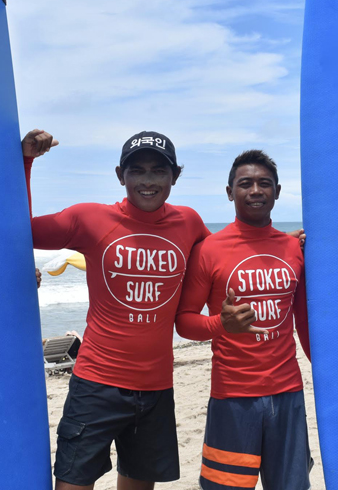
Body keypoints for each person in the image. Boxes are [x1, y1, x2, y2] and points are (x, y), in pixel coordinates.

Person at [21, 129, 210, 490]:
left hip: (157, 387)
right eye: (137, 170)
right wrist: (27, 162)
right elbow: (20, 230)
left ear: (175, 176)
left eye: (159, 170)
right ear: (120, 175)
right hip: (96, 384)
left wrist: (284, 243)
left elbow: (232, 256)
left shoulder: (190, 222)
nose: (148, 181)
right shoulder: (89, 219)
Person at [175, 150, 312, 490]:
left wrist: (324, 370)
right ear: (229, 192)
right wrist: (221, 325)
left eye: (264, 184)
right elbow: (184, 321)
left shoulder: (294, 248)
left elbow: (304, 321)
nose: (255, 190)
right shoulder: (208, 250)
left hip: (289, 392)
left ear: (277, 192)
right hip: (233, 397)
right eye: (245, 184)